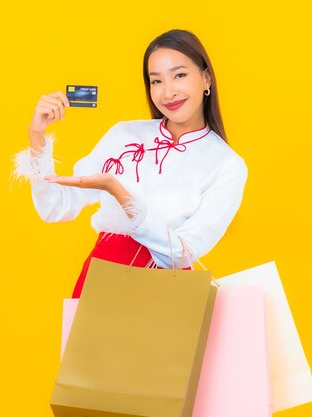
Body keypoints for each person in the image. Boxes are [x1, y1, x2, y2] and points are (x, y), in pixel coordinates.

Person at [12, 29, 249, 298]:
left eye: (180, 75)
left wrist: (118, 191)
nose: (168, 92)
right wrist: (37, 135)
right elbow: (55, 207)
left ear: (206, 78)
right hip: (101, 279)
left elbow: (183, 252)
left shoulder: (227, 165)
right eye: (156, 81)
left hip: (166, 292)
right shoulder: (124, 135)